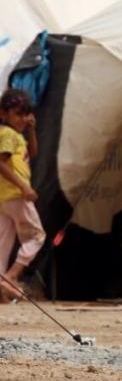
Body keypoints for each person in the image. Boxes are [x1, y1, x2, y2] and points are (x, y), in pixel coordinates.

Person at [0, 89, 45, 302]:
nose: (23, 119)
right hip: (15, 194)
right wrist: (24, 187)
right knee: (37, 235)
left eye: (26, 114)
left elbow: (33, 154)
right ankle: (11, 276)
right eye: (18, 114)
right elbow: (1, 163)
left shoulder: (16, 135)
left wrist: (32, 130)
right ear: (3, 114)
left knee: (3, 242)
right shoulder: (7, 134)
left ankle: (1, 288)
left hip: (4, 197)